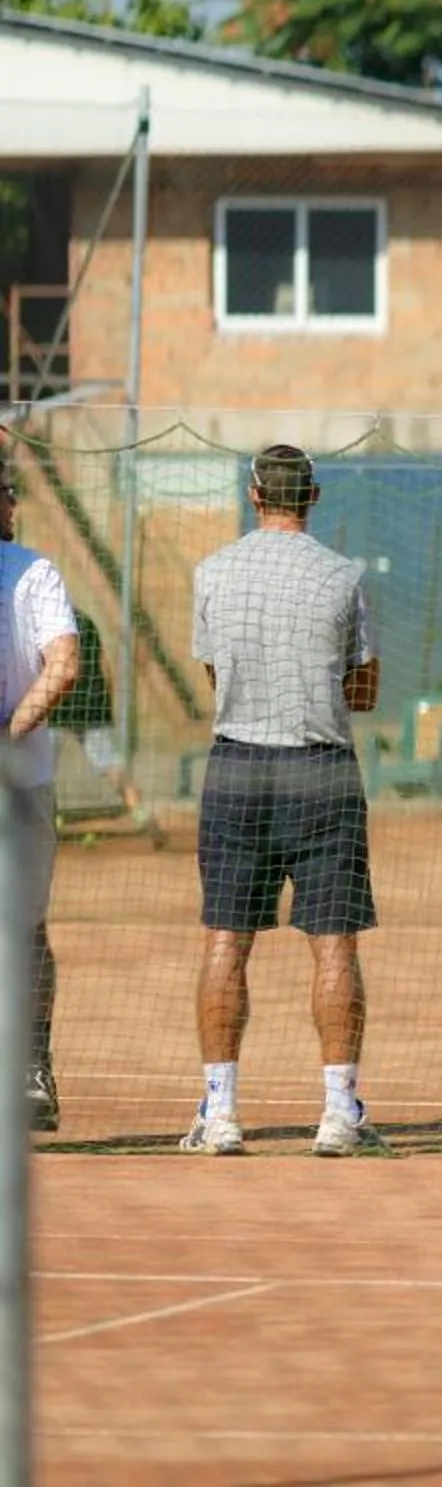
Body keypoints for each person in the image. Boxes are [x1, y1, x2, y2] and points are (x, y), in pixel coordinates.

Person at [185, 445, 381, 1157]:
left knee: (225, 941)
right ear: (314, 496)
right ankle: (337, 1114)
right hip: (323, 767)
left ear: (253, 493)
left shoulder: (212, 571)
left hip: (237, 763)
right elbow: (364, 687)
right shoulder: (344, 576)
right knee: (333, 945)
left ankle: (222, 1114)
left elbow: (214, 671)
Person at [0, 471, 80, 1134]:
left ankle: (29, 1065)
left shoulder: (33, 571)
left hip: (20, 782)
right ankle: (30, 1065)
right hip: (22, 776)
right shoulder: (36, 570)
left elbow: (66, 661)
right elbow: (62, 665)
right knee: (25, 927)